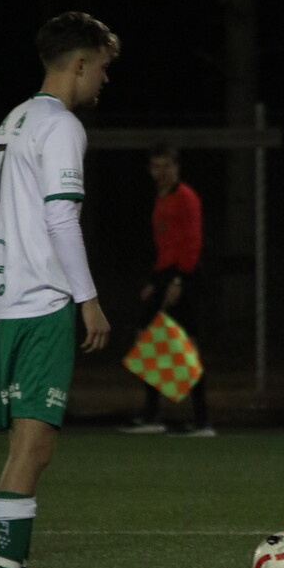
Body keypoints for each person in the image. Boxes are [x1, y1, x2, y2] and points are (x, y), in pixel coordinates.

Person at [0, 11, 120, 568]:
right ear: (80, 63)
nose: (105, 80)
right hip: (40, 302)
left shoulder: (13, 120)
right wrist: (87, 299)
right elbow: (60, 217)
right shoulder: (62, 125)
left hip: (2, 298)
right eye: (104, 67)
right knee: (34, 448)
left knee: (24, 447)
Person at [121, 143, 215, 437]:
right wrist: (154, 280)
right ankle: (154, 415)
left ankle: (201, 420)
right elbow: (165, 244)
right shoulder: (160, 198)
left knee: (185, 345)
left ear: (176, 168)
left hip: (183, 276)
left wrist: (179, 280)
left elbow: (192, 242)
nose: (161, 172)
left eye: (167, 166)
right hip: (165, 274)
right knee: (149, 339)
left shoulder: (186, 197)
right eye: (156, 166)